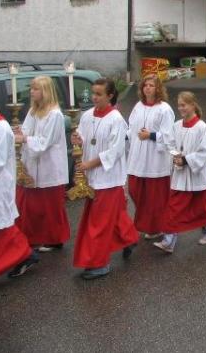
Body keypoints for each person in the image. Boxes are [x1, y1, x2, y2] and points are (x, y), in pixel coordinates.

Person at [72, 78, 139, 280]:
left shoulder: (116, 119)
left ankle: (100, 263)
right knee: (111, 217)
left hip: (108, 178)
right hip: (92, 176)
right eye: (93, 93)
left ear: (110, 96)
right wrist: (76, 140)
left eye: (99, 94)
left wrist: (89, 164)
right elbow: (83, 140)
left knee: (98, 223)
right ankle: (129, 238)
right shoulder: (86, 116)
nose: (94, 97)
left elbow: (115, 151)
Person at [14, 76, 70, 252]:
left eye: (36, 89)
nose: (32, 92)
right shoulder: (33, 111)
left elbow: (44, 142)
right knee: (29, 205)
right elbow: (26, 131)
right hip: (31, 165)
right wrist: (17, 133)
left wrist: (23, 138)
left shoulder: (55, 115)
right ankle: (31, 237)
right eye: (31, 88)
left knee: (49, 207)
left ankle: (55, 239)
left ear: (45, 92)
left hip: (49, 167)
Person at [153, 92, 206, 253]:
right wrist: (175, 156)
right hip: (180, 174)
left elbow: (204, 152)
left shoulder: (202, 128)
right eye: (179, 105)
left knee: (200, 208)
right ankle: (169, 240)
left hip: (196, 175)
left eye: (183, 105)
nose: (180, 108)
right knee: (174, 207)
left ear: (193, 105)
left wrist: (186, 159)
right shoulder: (177, 125)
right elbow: (170, 144)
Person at [126, 74, 175, 240]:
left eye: (151, 85)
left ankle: (157, 226)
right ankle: (146, 223)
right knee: (135, 190)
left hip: (155, 159)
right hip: (137, 158)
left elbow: (169, 136)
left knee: (155, 198)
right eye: (145, 85)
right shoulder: (138, 106)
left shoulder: (164, 109)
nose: (147, 88)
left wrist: (151, 135)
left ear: (158, 88)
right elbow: (131, 128)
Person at [0, 106, 39, 278]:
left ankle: (24, 254)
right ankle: (25, 255)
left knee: (2, 228)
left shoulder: (1, 129)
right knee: (3, 229)